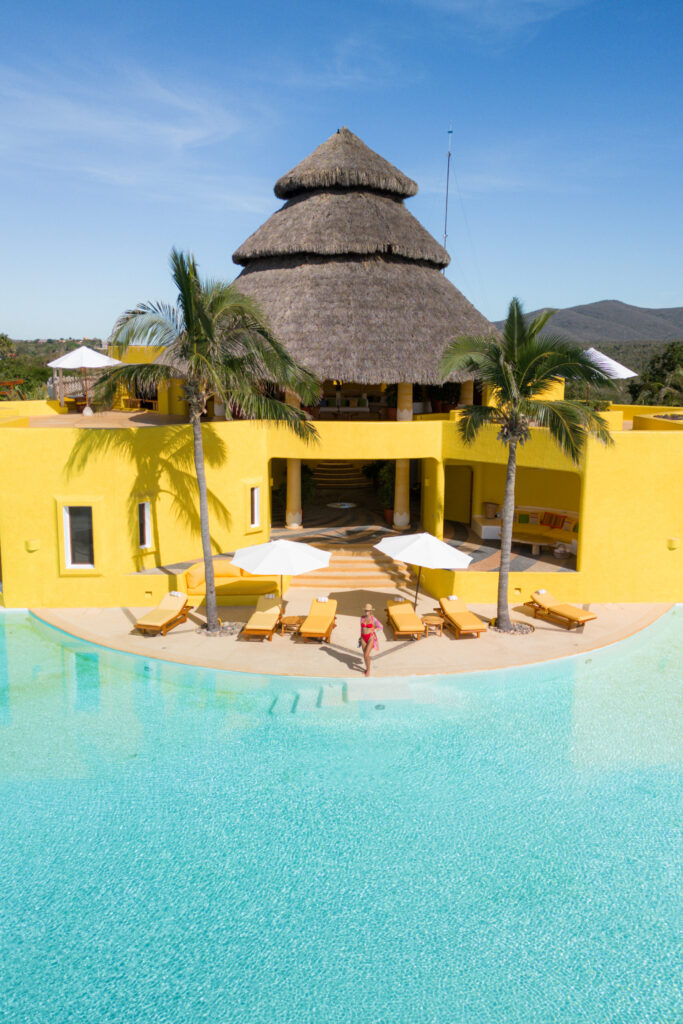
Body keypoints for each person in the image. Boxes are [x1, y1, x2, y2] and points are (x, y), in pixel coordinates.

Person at [359, 603, 381, 676]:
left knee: (366, 655)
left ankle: (368, 670)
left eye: (368, 611)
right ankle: (366, 668)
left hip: (370, 638)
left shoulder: (373, 619)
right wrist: (360, 637)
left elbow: (380, 627)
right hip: (363, 638)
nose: (366, 612)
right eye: (366, 610)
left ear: (370, 611)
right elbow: (361, 628)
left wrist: (374, 629)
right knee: (365, 656)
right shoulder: (362, 618)